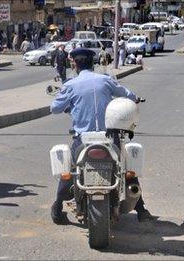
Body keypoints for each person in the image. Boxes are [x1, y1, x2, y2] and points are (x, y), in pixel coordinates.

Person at [49, 48, 154, 224]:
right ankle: (141, 209)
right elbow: (128, 95)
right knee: (126, 168)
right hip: (109, 139)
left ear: (74, 64)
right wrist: (136, 98)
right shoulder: (106, 80)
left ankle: (58, 207)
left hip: (83, 139)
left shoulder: (70, 85)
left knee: (69, 169)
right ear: (93, 63)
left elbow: (55, 108)